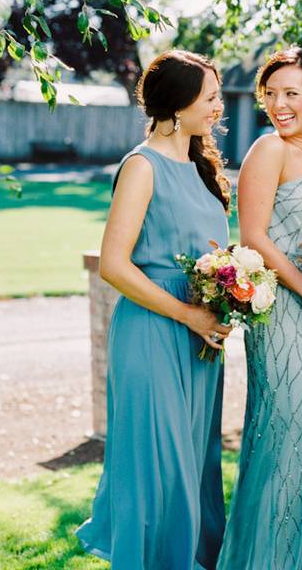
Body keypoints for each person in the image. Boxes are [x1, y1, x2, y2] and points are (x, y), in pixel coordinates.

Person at [76, 50, 232, 569]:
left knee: (192, 458)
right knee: (156, 464)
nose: (217, 107)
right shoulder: (142, 167)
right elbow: (115, 266)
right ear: (177, 103)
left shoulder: (202, 165)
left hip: (199, 337)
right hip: (153, 330)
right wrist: (189, 314)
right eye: (209, 97)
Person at [218, 47, 302, 569]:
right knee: (286, 430)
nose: (279, 104)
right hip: (283, 313)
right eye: (270, 94)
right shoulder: (266, 151)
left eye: (291, 93)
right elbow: (253, 237)